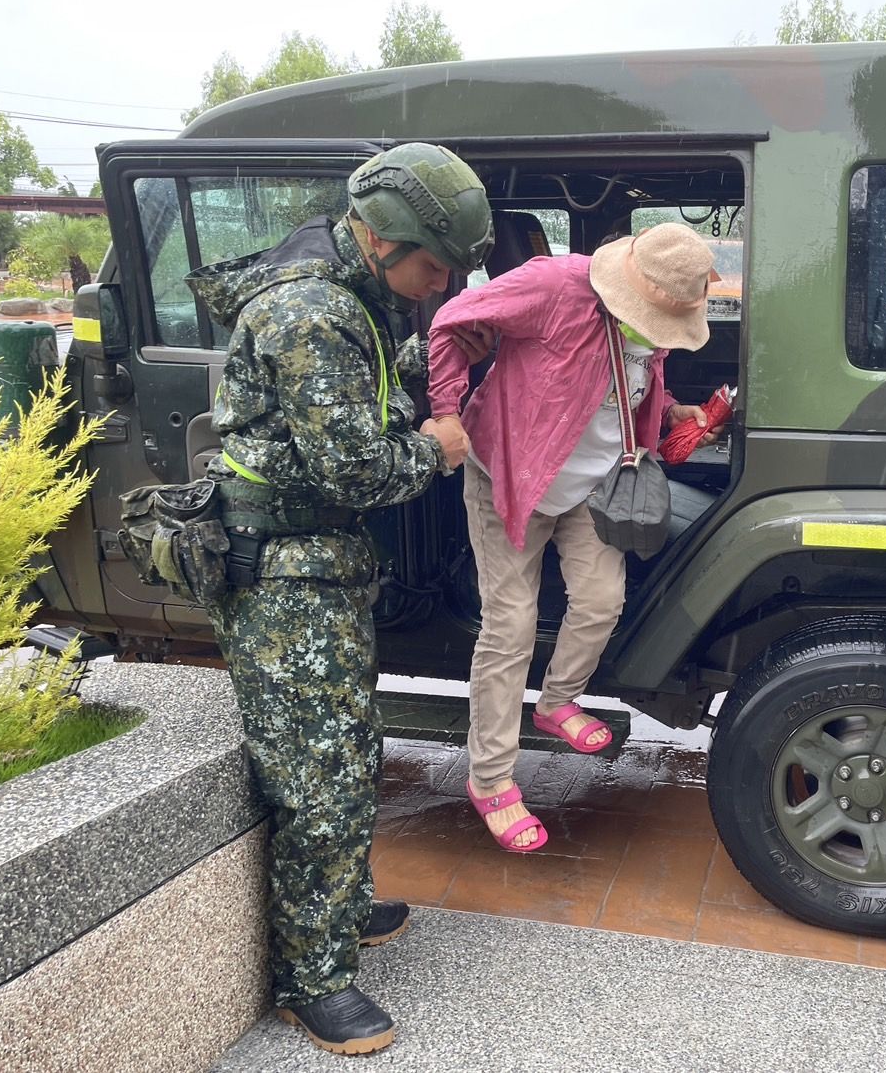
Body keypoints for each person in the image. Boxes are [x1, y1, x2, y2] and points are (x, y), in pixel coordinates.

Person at [185, 143, 493, 1056]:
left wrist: (423, 364)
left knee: (353, 751)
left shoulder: (354, 297)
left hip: (315, 573)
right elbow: (356, 466)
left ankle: (343, 905)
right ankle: (310, 981)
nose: (438, 283)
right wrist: (442, 447)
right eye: (432, 265)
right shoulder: (312, 312)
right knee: (317, 783)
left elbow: (358, 410)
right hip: (281, 579)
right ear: (379, 236)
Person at [427, 222, 722, 852]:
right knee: (509, 628)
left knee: (600, 601)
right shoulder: (551, 286)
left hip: (592, 485)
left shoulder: (656, 309)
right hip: (513, 474)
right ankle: (491, 779)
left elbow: (634, 377)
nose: (660, 335)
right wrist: (448, 413)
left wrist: (668, 413)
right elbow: (450, 321)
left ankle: (557, 701)